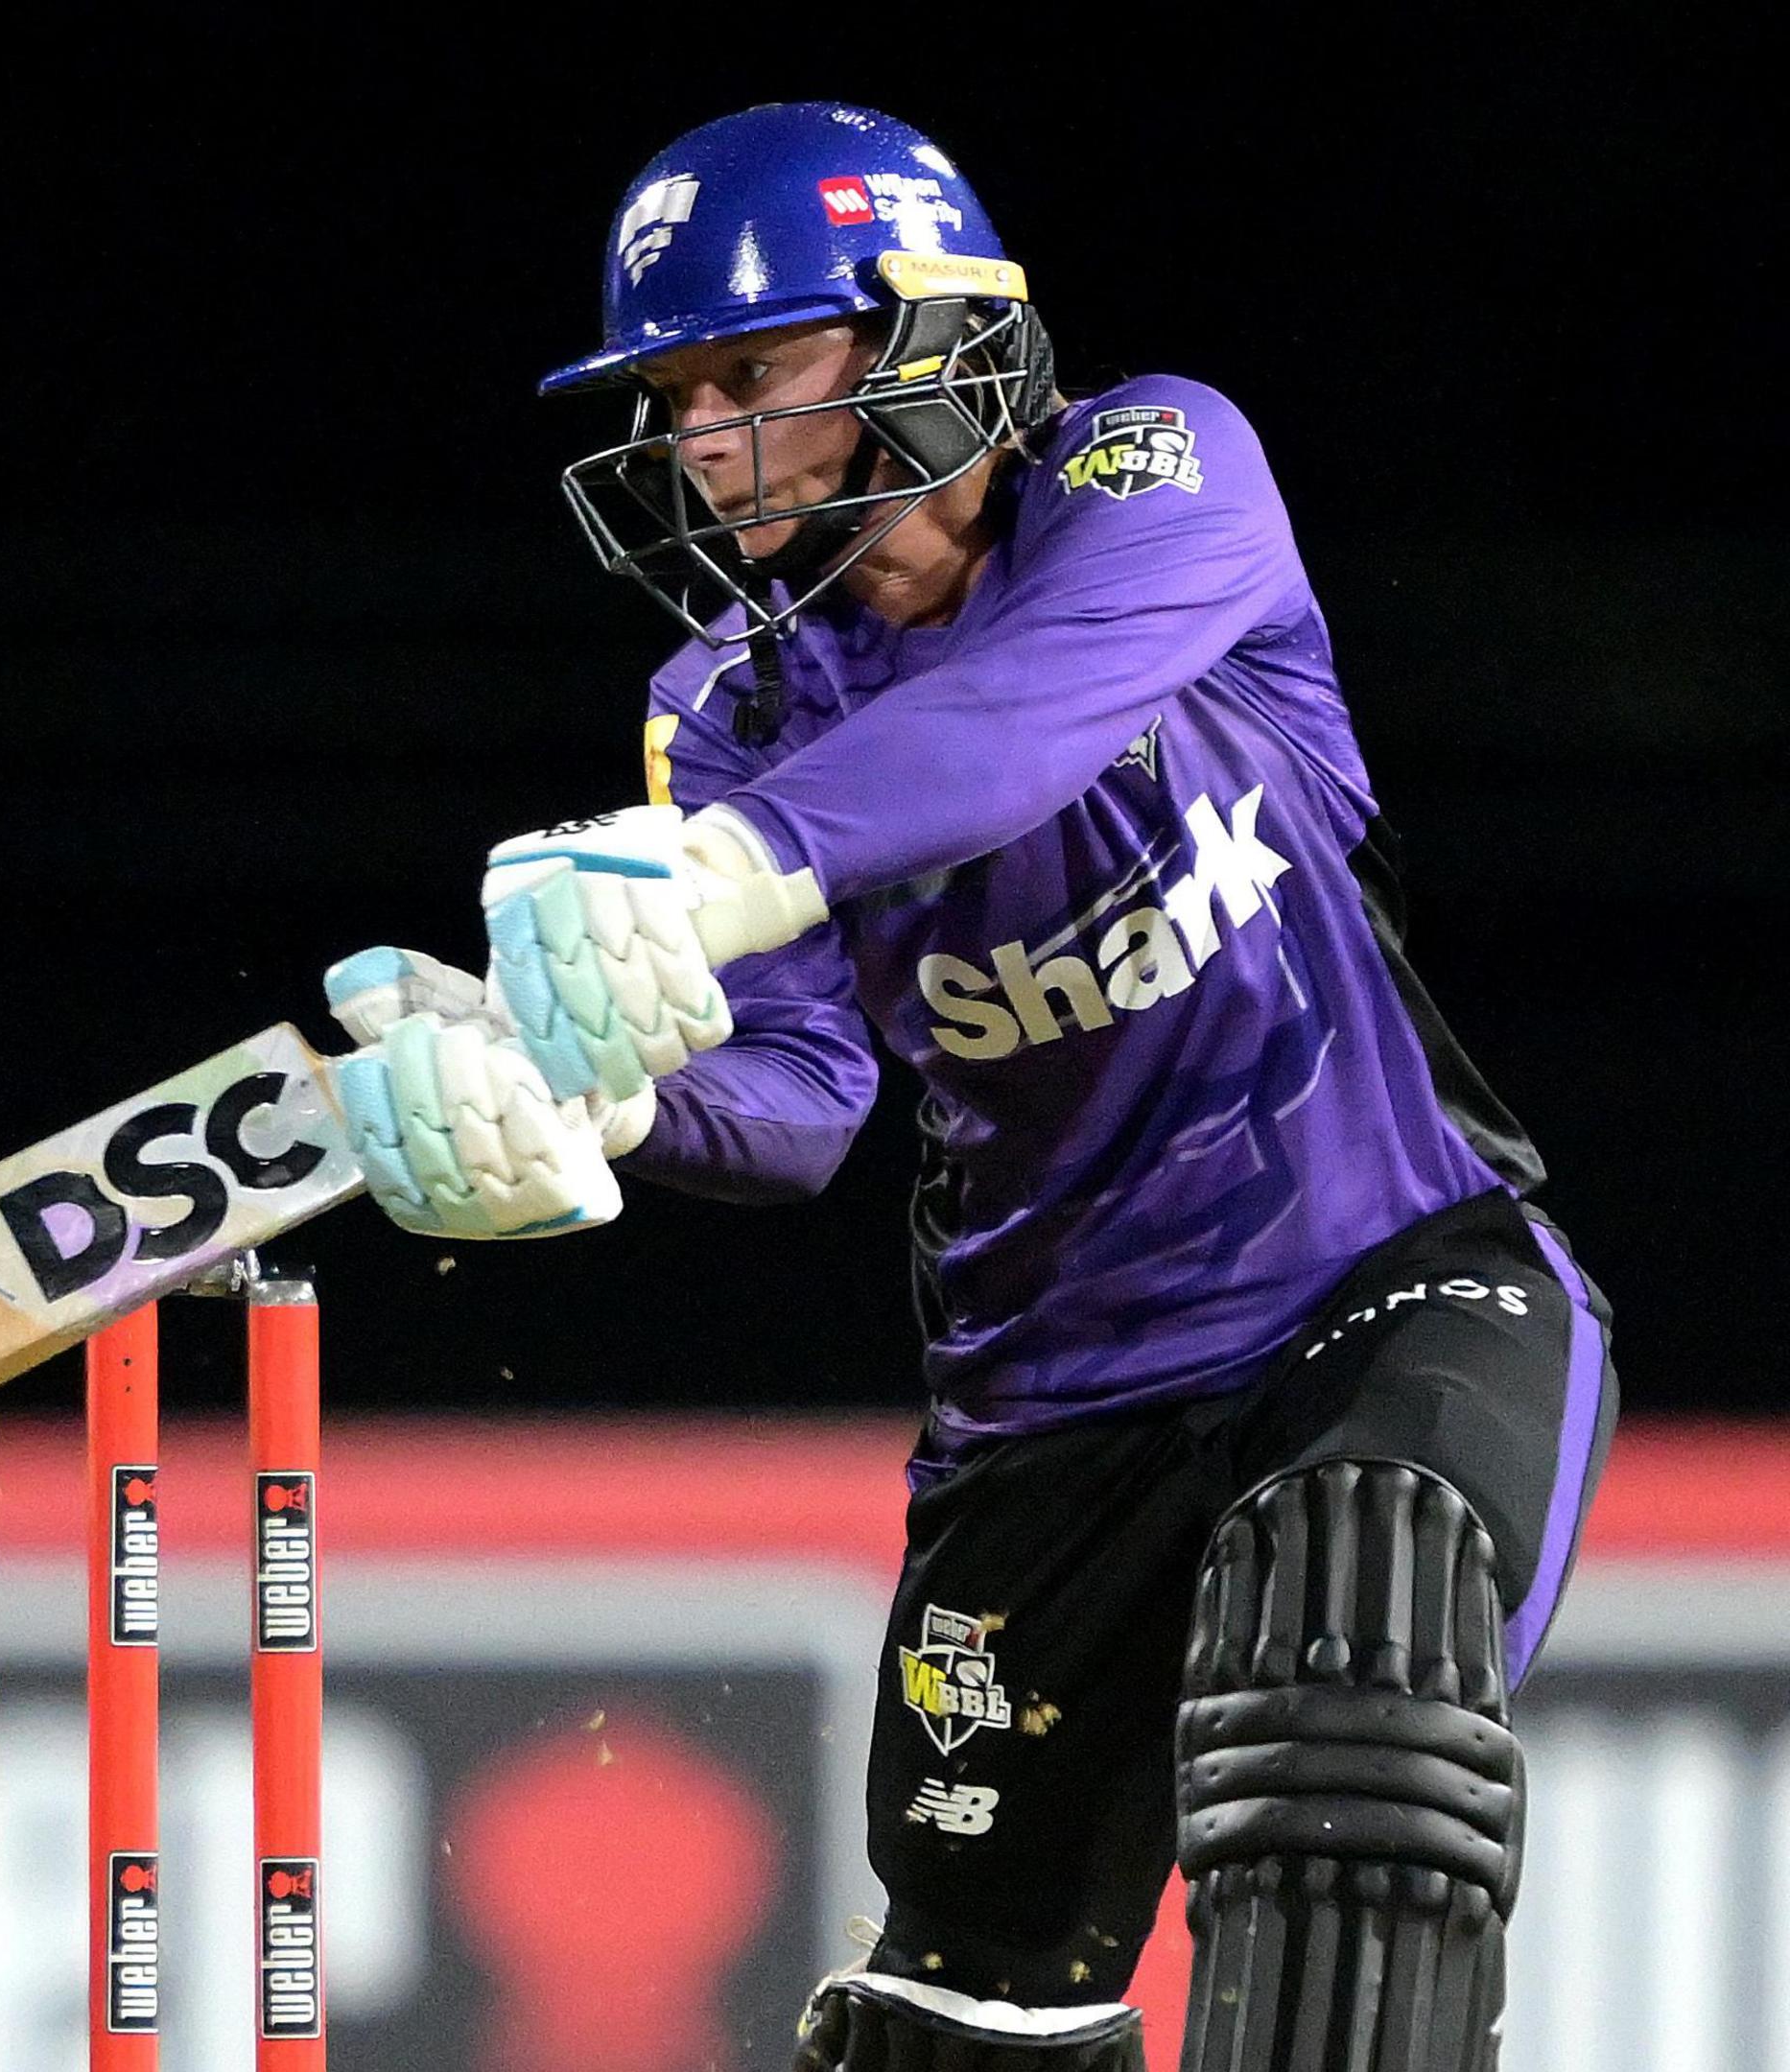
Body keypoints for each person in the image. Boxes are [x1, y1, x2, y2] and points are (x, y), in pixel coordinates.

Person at [320, 104, 1613, 2071]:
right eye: (673, 400)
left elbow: (1010, 733)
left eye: (751, 376)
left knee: (1361, 1624)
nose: (699, 445)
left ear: (926, 334)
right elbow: (809, 1096)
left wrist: (715, 876)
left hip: (1392, 1278)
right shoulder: (722, 715)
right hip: (1045, 1417)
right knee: (958, 2024)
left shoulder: (1157, 471)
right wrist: (605, 1107)